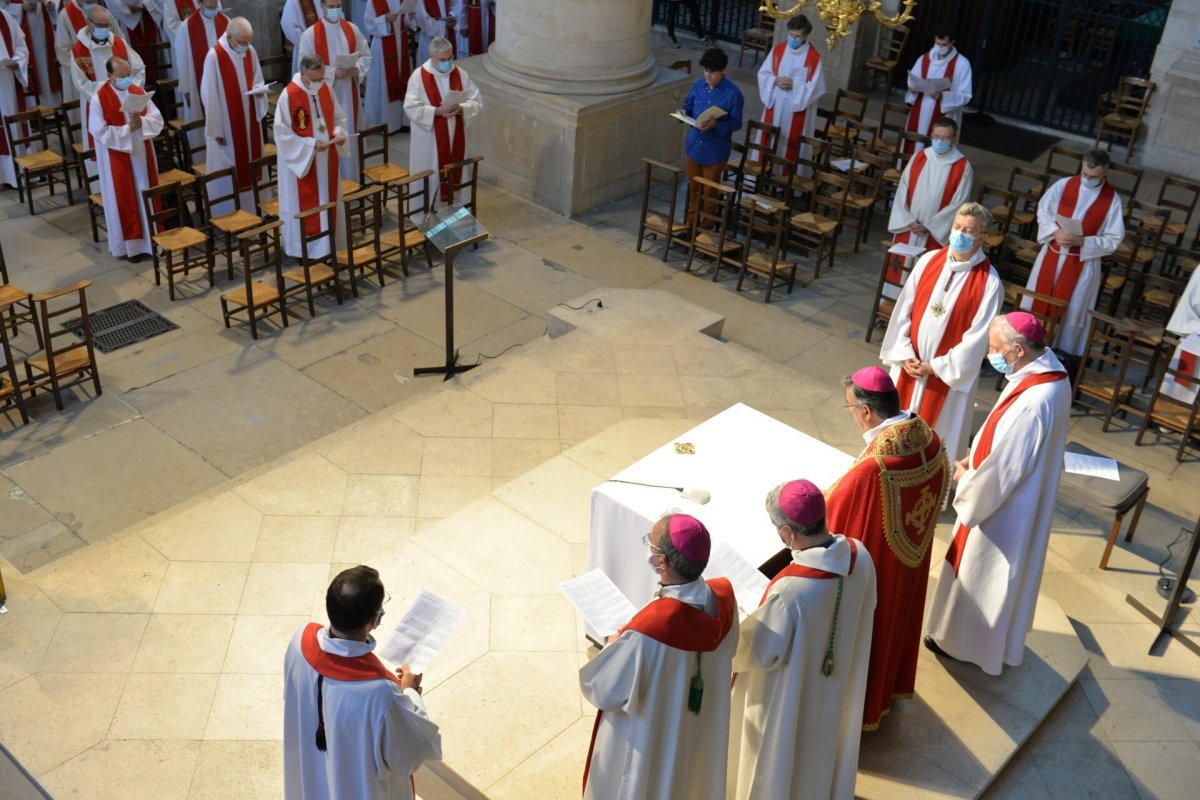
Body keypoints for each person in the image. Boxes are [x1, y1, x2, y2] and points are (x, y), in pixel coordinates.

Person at [925, 312, 1071, 676]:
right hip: (1014, 494)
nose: (991, 355)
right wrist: (976, 458)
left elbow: (1007, 467)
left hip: (1005, 509)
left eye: (995, 349)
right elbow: (1002, 437)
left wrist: (968, 479)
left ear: (1018, 349)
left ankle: (964, 645)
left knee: (982, 572)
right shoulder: (1046, 373)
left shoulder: (1037, 399)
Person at [727, 480, 876, 800]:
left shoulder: (790, 591)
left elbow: (757, 652)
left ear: (788, 533)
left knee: (782, 754)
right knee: (821, 751)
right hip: (836, 685)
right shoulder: (860, 556)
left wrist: (741, 620)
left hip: (789, 696)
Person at [580, 513, 738, 799]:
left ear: (662, 562)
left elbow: (604, 689)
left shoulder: (648, 632)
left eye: (650, 545)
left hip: (651, 740)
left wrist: (613, 643)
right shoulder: (725, 597)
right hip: (699, 729)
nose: (648, 549)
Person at [825, 366, 949, 730]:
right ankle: (887, 691)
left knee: (873, 629)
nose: (852, 417)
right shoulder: (925, 435)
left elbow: (831, 514)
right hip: (908, 564)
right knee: (898, 620)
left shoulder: (874, 466)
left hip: (879, 567)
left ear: (866, 411)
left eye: (850, 409)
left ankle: (861, 708)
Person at [283, 565, 442, 800]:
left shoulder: (300, 640)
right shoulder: (380, 694)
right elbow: (412, 753)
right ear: (374, 618)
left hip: (314, 774)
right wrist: (410, 691)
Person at [879, 202, 1003, 463]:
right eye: (957, 227)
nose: (960, 234)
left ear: (983, 237)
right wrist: (904, 353)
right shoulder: (928, 260)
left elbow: (977, 340)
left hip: (944, 378)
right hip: (909, 365)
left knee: (936, 437)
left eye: (968, 231)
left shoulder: (990, 283)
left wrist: (933, 367)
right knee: (893, 433)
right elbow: (904, 309)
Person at [1021, 148, 1124, 359]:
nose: (1087, 179)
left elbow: (1114, 239)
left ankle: (1058, 357)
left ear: (1106, 172)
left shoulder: (1112, 200)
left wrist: (1082, 241)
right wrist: (1055, 231)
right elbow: (1043, 210)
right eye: (1084, 174)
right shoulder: (1064, 185)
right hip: (1052, 254)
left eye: (1093, 176)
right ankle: (1025, 348)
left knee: (1071, 314)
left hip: (1082, 264)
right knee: (1038, 303)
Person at [883, 117, 973, 297]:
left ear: (954, 139)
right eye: (936, 136)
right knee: (897, 272)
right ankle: (889, 305)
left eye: (945, 138)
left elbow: (959, 204)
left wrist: (930, 225)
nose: (939, 141)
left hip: (933, 233)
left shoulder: (962, 166)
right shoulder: (919, 157)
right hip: (909, 228)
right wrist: (908, 220)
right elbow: (903, 189)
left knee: (925, 278)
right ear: (931, 136)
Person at [88, 55, 162, 259]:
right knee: (124, 199)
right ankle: (131, 249)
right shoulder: (99, 99)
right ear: (109, 76)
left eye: (128, 74)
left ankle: (151, 242)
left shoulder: (137, 92)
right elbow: (98, 131)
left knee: (145, 194)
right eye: (121, 76)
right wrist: (128, 129)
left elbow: (157, 119)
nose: (126, 79)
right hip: (117, 157)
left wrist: (143, 122)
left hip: (142, 153)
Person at [274, 53, 348, 258]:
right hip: (304, 163)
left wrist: (339, 133)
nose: (320, 83)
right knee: (308, 202)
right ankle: (306, 250)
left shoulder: (325, 89)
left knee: (328, 199)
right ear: (304, 74)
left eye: (322, 78)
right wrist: (311, 144)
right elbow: (282, 135)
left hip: (326, 160)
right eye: (315, 79)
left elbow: (339, 117)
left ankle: (328, 245)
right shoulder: (289, 96)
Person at [403, 35, 481, 206]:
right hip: (430, 140)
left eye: (450, 58)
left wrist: (460, 107)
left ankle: (456, 211)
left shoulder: (460, 73)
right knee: (432, 177)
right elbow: (410, 107)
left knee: (455, 171)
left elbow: (476, 101)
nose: (447, 62)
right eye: (442, 59)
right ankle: (427, 214)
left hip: (456, 136)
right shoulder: (418, 77)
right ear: (432, 57)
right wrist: (437, 111)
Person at [199, 16, 266, 215]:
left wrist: (259, 90)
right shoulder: (214, 56)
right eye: (241, 42)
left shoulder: (250, 51)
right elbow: (209, 94)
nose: (245, 47)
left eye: (248, 42)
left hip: (249, 119)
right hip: (227, 124)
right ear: (229, 36)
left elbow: (258, 78)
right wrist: (216, 127)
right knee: (231, 168)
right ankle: (228, 214)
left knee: (252, 163)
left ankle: (255, 211)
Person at [299, 0, 370, 182]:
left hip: (349, 92)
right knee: (329, 132)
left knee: (349, 134)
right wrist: (332, 72)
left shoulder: (352, 30)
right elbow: (304, 68)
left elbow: (365, 55)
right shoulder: (310, 35)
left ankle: (352, 180)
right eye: (331, 7)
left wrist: (357, 69)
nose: (335, 10)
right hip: (323, 94)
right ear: (321, 6)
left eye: (338, 6)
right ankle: (331, 182)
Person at [72, 6, 145, 173]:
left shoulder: (119, 43)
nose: (104, 29)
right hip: (98, 105)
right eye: (100, 25)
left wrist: (129, 89)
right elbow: (81, 83)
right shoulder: (78, 50)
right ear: (88, 23)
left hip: (126, 103)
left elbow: (139, 68)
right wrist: (110, 91)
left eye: (107, 25)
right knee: (105, 157)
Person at [679, 47, 743, 225]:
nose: (708, 76)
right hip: (694, 147)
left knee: (709, 193)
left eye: (712, 72)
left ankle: (705, 232)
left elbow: (736, 123)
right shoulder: (698, 85)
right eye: (706, 71)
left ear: (722, 70)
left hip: (714, 151)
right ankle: (691, 226)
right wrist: (684, 111)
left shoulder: (733, 94)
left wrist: (716, 124)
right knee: (693, 190)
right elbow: (689, 104)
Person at [754, 14, 823, 166]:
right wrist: (774, 80)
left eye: (797, 36)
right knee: (770, 142)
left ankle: (787, 179)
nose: (792, 39)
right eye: (790, 34)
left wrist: (795, 86)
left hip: (797, 111)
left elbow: (816, 88)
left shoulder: (813, 58)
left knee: (791, 148)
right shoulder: (778, 50)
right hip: (776, 103)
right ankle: (764, 173)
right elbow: (763, 74)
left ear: (806, 36)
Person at [904, 28, 972, 155]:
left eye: (944, 44)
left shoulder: (962, 64)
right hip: (920, 108)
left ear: (952, 42)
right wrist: (912, 87)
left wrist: (943, 96)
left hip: (943, 113)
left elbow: (966, 95)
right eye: (937, 43)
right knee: (914, 145)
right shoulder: (924, 58)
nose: (940, 47)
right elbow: (912, 77)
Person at [172, 0, 227, 151]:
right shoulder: (186, 27)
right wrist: (186, 89)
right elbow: (181, 60)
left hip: (223, 84)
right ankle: (203, 161)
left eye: (215, 6)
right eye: (210, 7)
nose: (213, 10)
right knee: (200, 124)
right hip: (196, 83)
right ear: (200, 5)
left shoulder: (226, 23)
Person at [362, 0, 410, 134]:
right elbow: (368, 23)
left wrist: (409, 19)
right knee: (382, 84)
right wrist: (385, 19)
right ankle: (386, 123)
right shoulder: (373, 2)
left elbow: (404, 23)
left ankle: (402, 121)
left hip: (401, 42)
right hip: (383, 45)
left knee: (402, 79)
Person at [4, 0, 60, 108]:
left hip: (43, 24)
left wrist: (51, 4)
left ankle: (54, 107)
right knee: (33, 68)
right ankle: (37, 108)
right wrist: (21, 8)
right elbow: (2, 9)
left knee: (48, 67)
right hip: (22, 28)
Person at [56, 0, 103, 110]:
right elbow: (62, 47)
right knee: (84, 108)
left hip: (102, 66)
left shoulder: (101, 12)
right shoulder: (65, 15)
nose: (91, 3)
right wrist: (81, 65)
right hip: (78, 69)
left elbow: (117, 35)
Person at [0, 3, 28, 190]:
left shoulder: (3, 16)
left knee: (11, 122)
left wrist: (17, 62)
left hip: (7, 79)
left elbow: (21, 45)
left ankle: (17, 172)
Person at [107, 0, 160, 85]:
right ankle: (140, 84)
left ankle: (157, 84)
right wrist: (130, 9)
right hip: (127, 22)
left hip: (148, 17)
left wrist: (143, 5)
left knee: (153, 52)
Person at [413, 0, 457, 66]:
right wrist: (442, 25)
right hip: (429, 35)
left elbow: (455, 3)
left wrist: (452, 15)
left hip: (448, 33)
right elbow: (420, 16)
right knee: (431, 69)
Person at [281, 0, 321, 72]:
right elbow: (288, 27)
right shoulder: (293, 2)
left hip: (328, 46)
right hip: (305, 51)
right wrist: (308, 43)